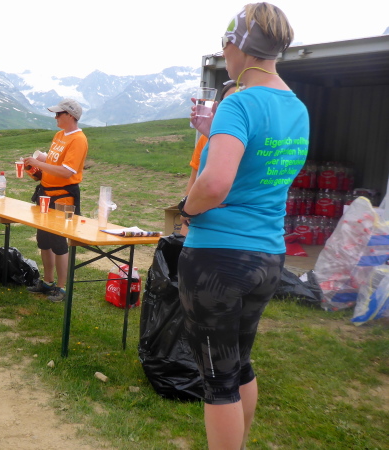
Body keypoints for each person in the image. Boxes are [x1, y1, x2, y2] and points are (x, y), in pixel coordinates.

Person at [177, 3, 309, 449]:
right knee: (239, 364)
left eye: (225, 46)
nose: (224, 56)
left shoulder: (240, 101)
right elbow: (259, 169)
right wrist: (214, 133)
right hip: (267, 254)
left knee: (217, 379)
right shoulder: (297, 108)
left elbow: (215, 183)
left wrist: (187, 210)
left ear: (241, 46)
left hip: (218, 257)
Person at [22, 98, 88, 303]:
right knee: (44, 240)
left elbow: (67, 171)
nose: (55, 117)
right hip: (45, 194)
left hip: (63, 197)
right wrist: (38, 164)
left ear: (70, 115)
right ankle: (48, 282)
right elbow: (54, 162)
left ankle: (61, 287)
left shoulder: (78, 139)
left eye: (59, 114)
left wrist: (39, 162)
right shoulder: (59, 135)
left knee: (59, 242)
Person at [181, 81, 242, 235]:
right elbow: (194, 178)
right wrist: (185, 212)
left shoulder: (255, 139)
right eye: (228, 103)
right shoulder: (205, 139)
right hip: (201, 220)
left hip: (234, 224)